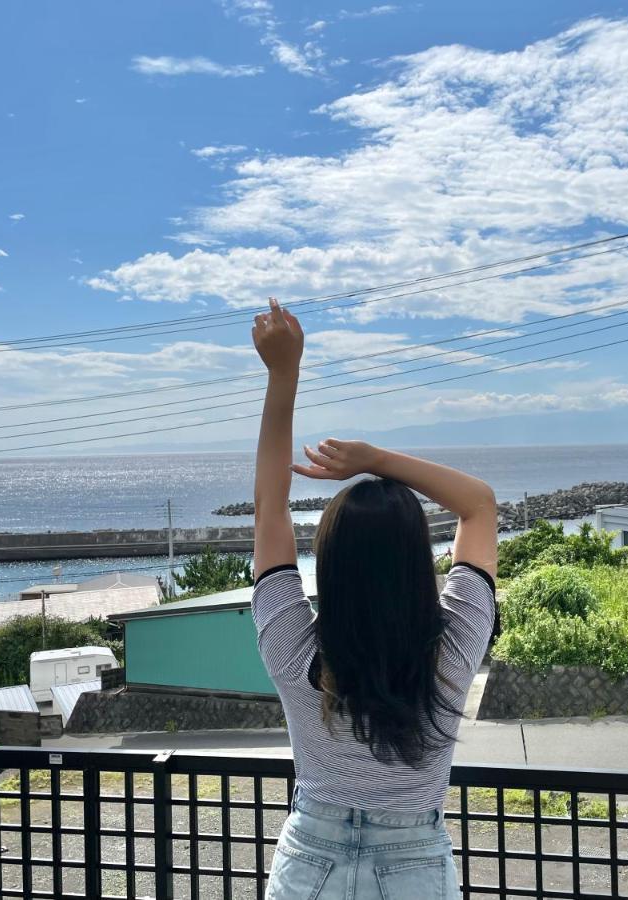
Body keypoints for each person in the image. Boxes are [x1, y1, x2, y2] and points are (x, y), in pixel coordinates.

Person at [250, 298, 497, 900]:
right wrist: (377, 461)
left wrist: (284, 375)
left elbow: (269, 509)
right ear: (417, 561)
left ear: (330, 563)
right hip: (413, 863)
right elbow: (479, 506)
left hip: (310, 862)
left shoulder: (295, 649)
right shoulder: (454, 647)